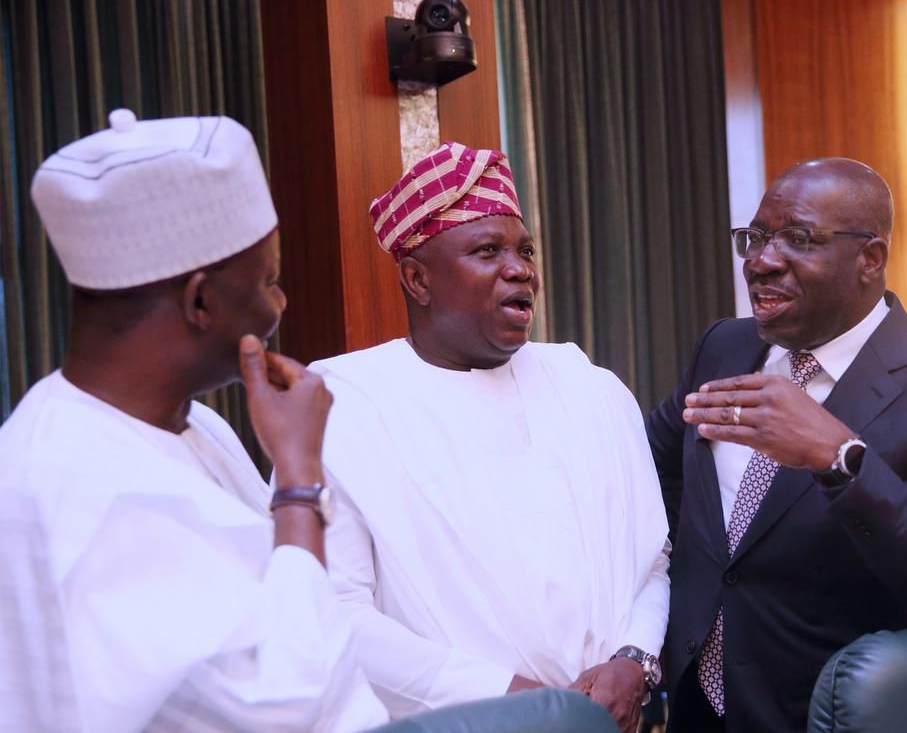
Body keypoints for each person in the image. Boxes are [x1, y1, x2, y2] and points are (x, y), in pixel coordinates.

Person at [0, 110, 389, 732]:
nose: (279, 305)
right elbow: (284, 710)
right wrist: (297, 481)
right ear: (200, 300)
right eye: (270, 280)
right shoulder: (81, 488)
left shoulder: (196, 425)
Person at [308, 142, 671, 733]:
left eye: (525, 250)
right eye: (487, 251)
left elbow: (652, 562)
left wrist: (634, 661)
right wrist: (511, 700)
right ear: (417, 279)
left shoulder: (590, 386)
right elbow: (331, 611)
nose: (520, 268)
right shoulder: (343, 402)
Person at [647, 157, 907, 732]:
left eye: (798, 239)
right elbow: (653, 472)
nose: (761, 262)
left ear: (870, 259)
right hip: (696, 705)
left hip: (828, 715)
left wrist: (838, 458)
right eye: (757, 237)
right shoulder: (722, 347)